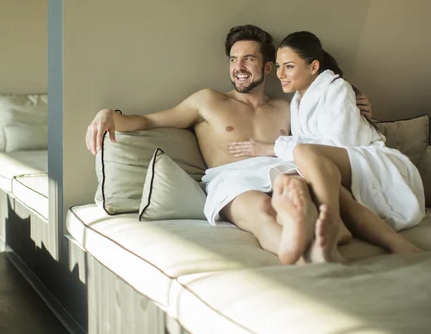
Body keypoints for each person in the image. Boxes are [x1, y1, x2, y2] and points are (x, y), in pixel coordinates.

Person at [86, 25, 372, 264]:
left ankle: (320, 240)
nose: (239, 67)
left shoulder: (288, 108)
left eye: (248, 59)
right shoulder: (207, 101)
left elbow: (325, 135)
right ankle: (296, 254)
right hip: (232, 179)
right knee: (261, 209)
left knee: (299, 193)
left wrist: (362, 113)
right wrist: (110, 115)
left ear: (268, 67)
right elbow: (148, 122)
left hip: (281, 170)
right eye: (233, 59)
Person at [230, 31, 424, 263]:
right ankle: (397, 245)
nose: (280, 74)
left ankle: (330, 219)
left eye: (289, 67)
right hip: (339, 169)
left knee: (303, 153)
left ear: (313, 67)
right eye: (280, 66)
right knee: (328, 188)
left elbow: (336, 145)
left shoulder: (337, 88)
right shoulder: (298, 101)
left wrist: (272, 147)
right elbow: (317, 155)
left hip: (373, 162)